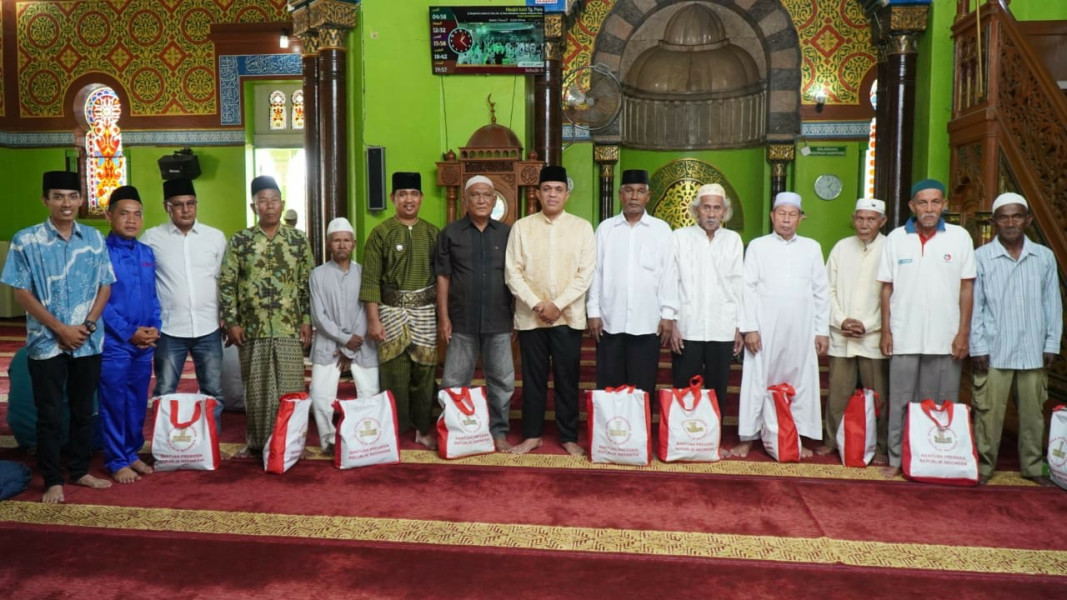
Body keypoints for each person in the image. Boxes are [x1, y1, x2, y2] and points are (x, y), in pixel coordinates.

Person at [1, 171, 116, 502]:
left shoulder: (94, 239)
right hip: (46, 343)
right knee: (49, 413)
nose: (66, 203)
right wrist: (60, 329)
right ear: (45, 200)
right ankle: (52, 478)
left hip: (88, 341)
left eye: (72, 196)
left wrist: (88, 326)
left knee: (84, 411)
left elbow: (105, 286)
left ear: (81, 199)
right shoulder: (27, 241)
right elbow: (21, 293)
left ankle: (79, 470)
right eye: (58, 196)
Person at [877, 179, 976, 477]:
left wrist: (963, 333)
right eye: (923, 202)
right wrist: (885, 331)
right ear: (912, 206)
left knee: (941, 403)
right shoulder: (896, 238)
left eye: (935, 202)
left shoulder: (959, 238)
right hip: (904, 335)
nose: (929, 208)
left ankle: (937, 460)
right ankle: (897, 460)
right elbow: (886, 290)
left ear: (944, 205)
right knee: (901, 403)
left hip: (945, 338)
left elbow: (966, 289)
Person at [218, 175, 314, 457]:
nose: (269, 206)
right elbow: (227, 283)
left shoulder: (297, 240)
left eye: (274, 201)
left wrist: (307, 319)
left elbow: (307, 283)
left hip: (289, 326)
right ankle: (257, 444)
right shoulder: (241, 241)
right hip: (252, 327)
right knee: (257, 388)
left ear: (282, 204)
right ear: (254, 206)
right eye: (263, 201)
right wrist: (232, 322)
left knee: (291, 386)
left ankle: (294, 442)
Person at [970, 193, 1061, 486]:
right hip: (995, 350)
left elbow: (1053, 304)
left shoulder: (1044, 257)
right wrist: (978, 346)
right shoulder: (981, 257)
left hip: (1033, 350)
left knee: (1034, 414)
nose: (1011, 222)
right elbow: (975, 306)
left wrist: (1051, 343)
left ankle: (1033, 466)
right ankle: (984, 467)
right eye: (1004, 217)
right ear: (995, 222)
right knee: (989, 414)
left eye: (1017, 216)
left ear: (1028, 220)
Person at [505, 165, 595, 456]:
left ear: (567, 195)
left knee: (567, 378)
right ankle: (532, 435)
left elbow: (585, 274)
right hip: (532, 318)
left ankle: (568, 437)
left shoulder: (582, 228)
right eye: (547, 189)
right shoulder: (522, 227)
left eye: (558, 189)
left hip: (567, 318)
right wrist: (537, 304)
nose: (552, 194)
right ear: (537, 194)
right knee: (533, 379)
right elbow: (512, 273)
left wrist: (558, 305)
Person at [734, 191, 829, 459]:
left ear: (801, 218)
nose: (786, 220)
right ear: (772, 216)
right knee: (758, 380)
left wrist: (821, 330)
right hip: (764, 328)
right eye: (781, 214)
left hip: (802, 328)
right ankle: (749, 437)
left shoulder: (812, 247)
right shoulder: (757, 246)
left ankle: (796, 437)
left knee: (801, 381)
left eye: (792, 214)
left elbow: (821, 291)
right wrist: (749, 327)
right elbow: (747, 288)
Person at [435, 176, 515, 451]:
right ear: (466, 200)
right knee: (454, 380)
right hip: (461, 321)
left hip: (499, 320)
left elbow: (516, 276)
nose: (481, 200)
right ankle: (454, 430)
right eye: (475, 195)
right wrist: (444, 318)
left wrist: (516, 315)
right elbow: (443, 278)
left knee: (502, 381)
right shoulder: (450, 233)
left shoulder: (507, 234)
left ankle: (499, 432)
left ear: (494, 201)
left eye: (486, 195)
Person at [361, 172, 440, 449]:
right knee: (394, 373)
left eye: (414, 194)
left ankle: (421, 429)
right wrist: (373, 320)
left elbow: (442, 279)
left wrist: (443, 319)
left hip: (426, 312)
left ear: (421, 198)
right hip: (391, 312)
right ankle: (394, 429)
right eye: (403, 194)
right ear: (393, 198)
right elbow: (370, 280)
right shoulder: (380, 233)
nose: (409, 199)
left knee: (425, 374)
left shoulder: (432, 233)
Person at [141, 178, 228, 430]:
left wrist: (226, 317)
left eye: (190, 203)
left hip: (209, 326)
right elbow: (145, 284)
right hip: (169, 329)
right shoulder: (151, 238)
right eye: (178, 205)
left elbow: (224, 280)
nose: (186, 209)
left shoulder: (215, 238)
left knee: (213, 390)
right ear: (167, 207)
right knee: (165, 388)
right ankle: (165, 438)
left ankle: (210, 441)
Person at [587, 169, 677, 398]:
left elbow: (669, 274)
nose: (634, 197)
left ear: (648, 196)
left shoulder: (661, 230)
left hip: (648, 322)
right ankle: (610, 433)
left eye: (640, 191)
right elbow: (595, 272)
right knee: (609, 388)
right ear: (620, 194)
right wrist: (593, 311)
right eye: (629, 191)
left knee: (642, 388)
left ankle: (639, 434)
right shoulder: (606, 229)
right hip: (610, 320)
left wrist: (668, 313)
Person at [815, 198, 890, 463]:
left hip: (874, 337)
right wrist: (841, 320)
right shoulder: (841, 248)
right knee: (838, 392)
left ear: (883, 221)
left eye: (871, 219)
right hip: (842, 334)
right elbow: (827, 289)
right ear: (853, 219)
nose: (864, 224)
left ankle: (880, 446)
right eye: (860, 218)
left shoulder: (890, 248)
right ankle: (831, 440)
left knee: (877, 394)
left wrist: (868, 325)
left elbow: (891, 294)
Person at [98, 185, 161, 483]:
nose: (132, 220)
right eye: (124, 214)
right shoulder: (100, 252)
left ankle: (131, 452)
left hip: (144, 342)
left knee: (137, 400)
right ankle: (115, 459)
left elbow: (153, 296)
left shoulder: (147, 253)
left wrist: (154, 329)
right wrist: (128, 332)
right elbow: (99, 303)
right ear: (109, 216)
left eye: (137, 214)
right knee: (114, 400)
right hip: (115, 343)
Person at [308, 217, 379, 454]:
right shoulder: (317, 275)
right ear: (329, 244)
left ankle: (363, 437)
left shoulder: (364, 273)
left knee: (369, 394)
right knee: (320, 396)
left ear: (354, 244)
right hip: (329, 345)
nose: (341, 245)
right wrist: (343, 339)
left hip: (362, 345)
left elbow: (366, 312)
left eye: (346, 240)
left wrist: (351, 346)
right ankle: (328, 440)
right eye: (336, 240)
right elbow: (319, 316)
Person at [669, 183, 743, 406]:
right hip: (686, 327)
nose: (711, 213)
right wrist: (672, 323)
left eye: (717, 208)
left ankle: (712, 438)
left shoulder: (733, 240)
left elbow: (739, 285)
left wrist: (739, 327)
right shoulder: (679, 237)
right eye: (706, 207)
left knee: (716, 390)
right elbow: (671, 282)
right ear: (696, 210)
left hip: (722, 327)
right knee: (683, 388)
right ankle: (682, 439)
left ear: (724, 211)